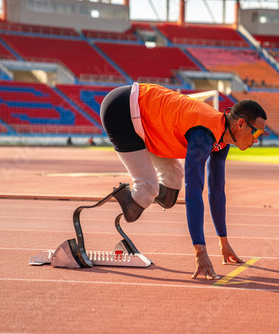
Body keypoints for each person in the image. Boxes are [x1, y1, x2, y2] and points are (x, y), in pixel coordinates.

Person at [100, 83, 267, 280]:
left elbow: (216, 191)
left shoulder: (222, 139)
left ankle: (137, 198)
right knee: (147, 189)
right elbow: (194, 193)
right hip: (122, 110)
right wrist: (200, 252)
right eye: (256, 132)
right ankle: (128, 197)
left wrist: (223, 241)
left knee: (172, 185)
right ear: (240, 124)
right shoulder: (203, 135)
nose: (257, 139)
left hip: (146, 119)